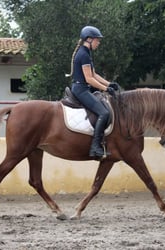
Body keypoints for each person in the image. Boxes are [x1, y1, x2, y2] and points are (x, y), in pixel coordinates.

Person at [67, 25, 119, 158]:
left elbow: (94, 74)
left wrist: (109, 83)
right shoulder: (83, 54)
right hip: (81, 90)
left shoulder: (86, 53)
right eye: (97, 40)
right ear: (89, 39)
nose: (98, 43)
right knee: (104, 113)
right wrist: (106, 89)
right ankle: (95, 147)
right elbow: (89, 79)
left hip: (83, 88)